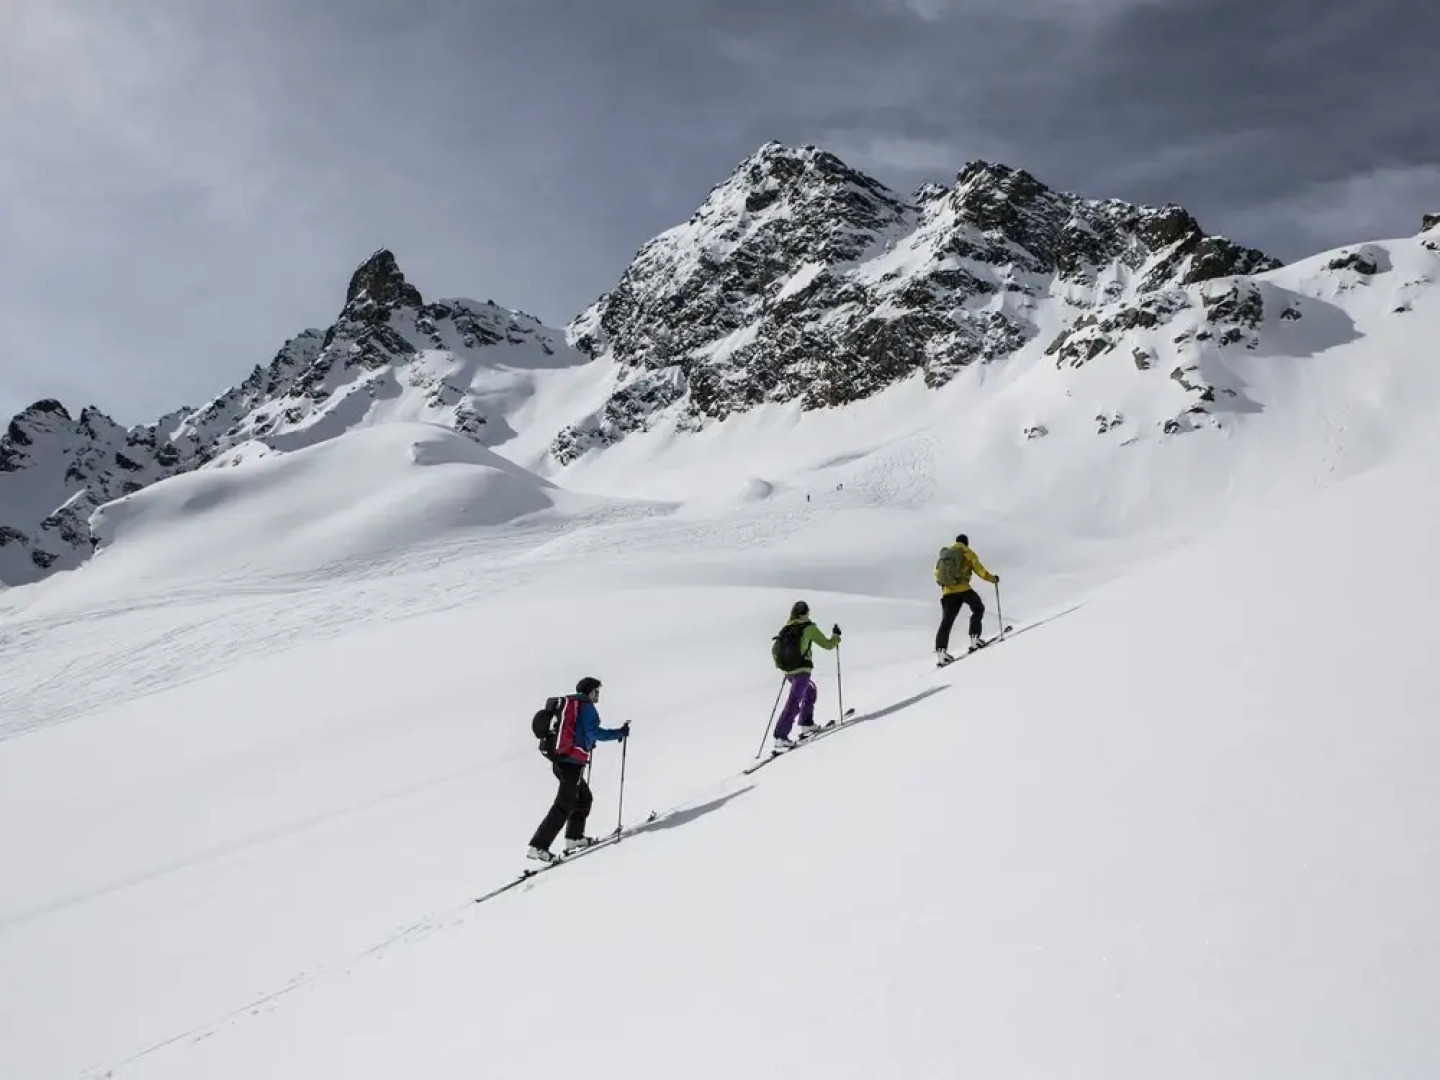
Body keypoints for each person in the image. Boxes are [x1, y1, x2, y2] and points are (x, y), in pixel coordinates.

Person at [527, 676, 628, 863]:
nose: (598, 695)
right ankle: (538, 846)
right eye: (597, 691)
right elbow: (593, 732)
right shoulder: (587, 707)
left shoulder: (572, 705)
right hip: (571, 764)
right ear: (590, 691)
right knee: (563, 804)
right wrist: (618, 733)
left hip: (560, 761)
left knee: (583, 797)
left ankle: (574, 838)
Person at [770, 601, 840, 753]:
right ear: (806, 613)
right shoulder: (808, 628)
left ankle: (806, 723)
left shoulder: (786, 628)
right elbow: (828, 645)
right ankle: (781, 736)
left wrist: (783, 666)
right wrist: (836, 636)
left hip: (789, 671)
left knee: (810, 691)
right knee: (795, 700)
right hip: (802, 669)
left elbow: (775, 649)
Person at [934, 533, 999, 664]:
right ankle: (975, 640)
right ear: (966, 542)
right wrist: (993, 579)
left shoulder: (946, 554)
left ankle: (941, 654)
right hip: (963, 589)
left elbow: (936, 573)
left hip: (947, 592)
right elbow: (980, 571)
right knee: (978, 608)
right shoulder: (968, 552)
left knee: (946, 622)